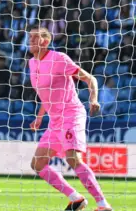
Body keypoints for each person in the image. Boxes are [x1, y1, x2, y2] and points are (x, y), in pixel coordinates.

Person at [27, 27, 112, 211]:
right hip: (54, 121)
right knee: (37, 163)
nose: (31, 40)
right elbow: (45, 94)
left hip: (71, 114)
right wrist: (40, 117)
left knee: (73, 158)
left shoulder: (59, 59)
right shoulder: (32, 63)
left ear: (46, 41)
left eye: (35, 37)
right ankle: (76, 198)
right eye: (30, 37)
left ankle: (103, 204)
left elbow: (90, 79)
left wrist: (93, 99)